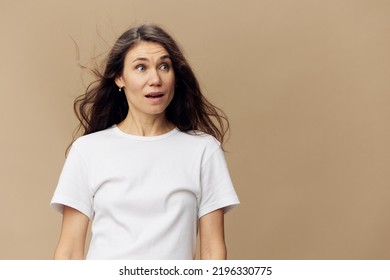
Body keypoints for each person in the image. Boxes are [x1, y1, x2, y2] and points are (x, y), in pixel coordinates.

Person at [51, 23, 239, 260]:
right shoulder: (88, 151)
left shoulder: (203, 150)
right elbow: (68, 252)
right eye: (141, 67)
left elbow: (213, 251)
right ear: (120, 77)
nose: (155, 79)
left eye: (164, 66)